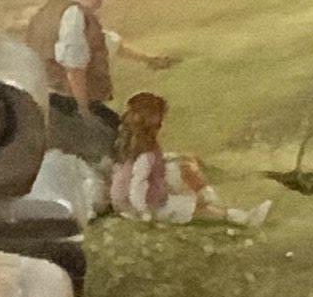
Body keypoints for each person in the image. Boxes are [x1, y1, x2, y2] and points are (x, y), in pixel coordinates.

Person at [36, 0, 178, 169]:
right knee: (117, 146)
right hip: (65, 108)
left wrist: (150, 59)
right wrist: (84, 112)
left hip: (49, 105)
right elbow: (74, 68)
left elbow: (107, 42)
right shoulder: (74, 15)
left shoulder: (53, 10)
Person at [107, 89, 268, 228]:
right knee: (198, 209)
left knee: (185, 166)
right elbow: (138, 185)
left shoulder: (133, 143)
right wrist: (144, 214)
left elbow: (139, 172)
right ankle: (243, 218)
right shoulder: (146, 154)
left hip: (134, 200)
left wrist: (175, 157)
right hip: (146, 206)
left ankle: (211, 200)